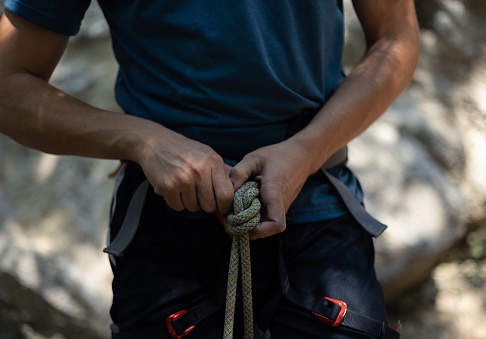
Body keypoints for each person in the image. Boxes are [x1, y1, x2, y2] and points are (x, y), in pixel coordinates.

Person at [0, 0, 419, 338]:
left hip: (314, 197)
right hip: (167, 212)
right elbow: (8, 85)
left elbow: (396, 39)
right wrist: (142, 140)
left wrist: (305, 152)